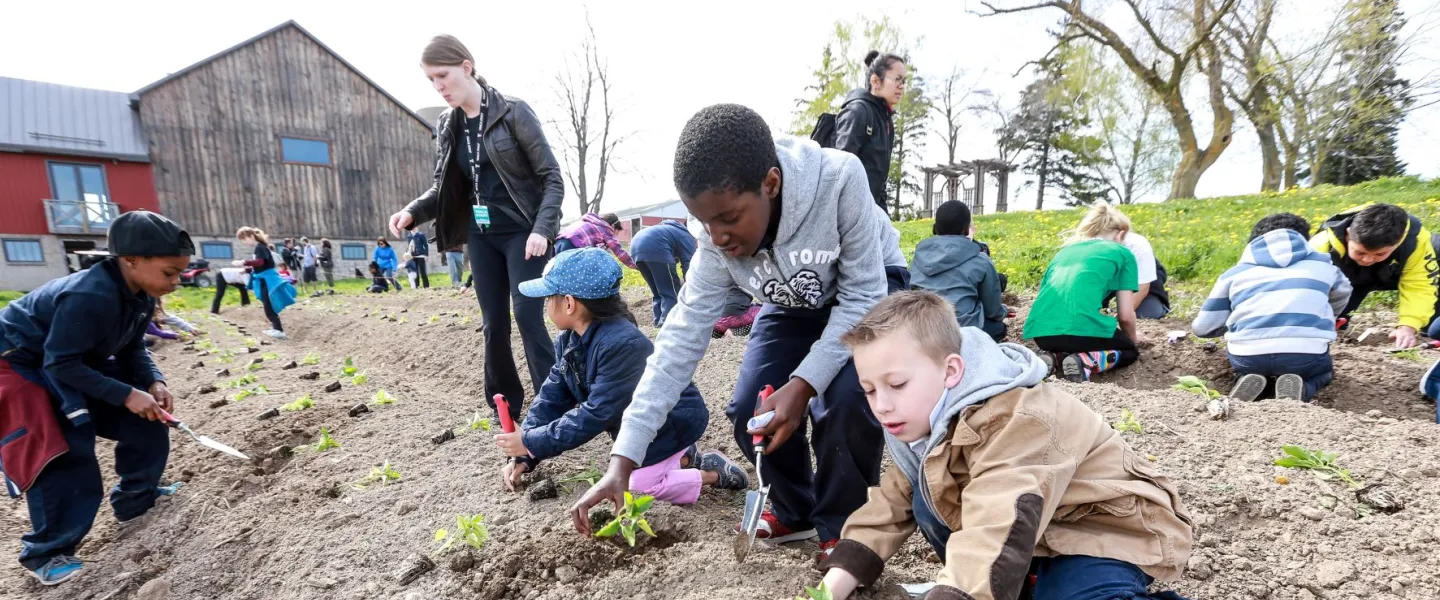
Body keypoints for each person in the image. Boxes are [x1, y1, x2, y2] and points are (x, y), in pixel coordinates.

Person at [571, 104, 904, 561]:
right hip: (791, 300)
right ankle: (795, 510)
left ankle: (843, 528)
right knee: (751, 409)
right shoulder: (713, 237)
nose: (718, 236)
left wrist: (804, 386)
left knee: (845, 402)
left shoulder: (838, 178)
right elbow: (679, 339)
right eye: (705, 223)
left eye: (728, 219)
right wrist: (623, 459)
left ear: (771, 183)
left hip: (867, 290)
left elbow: (864, 296)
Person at [811, 291, 1193, 600]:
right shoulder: (924, 418)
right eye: (869, 390)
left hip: (1102, 528)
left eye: (896, 385)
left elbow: (999, 519)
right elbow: (891, 504)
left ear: (950, 371)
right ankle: (1019, 579)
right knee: (922, 493)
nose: (882, 405)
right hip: (1034, 531)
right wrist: (836, 584)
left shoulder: (1019, 417)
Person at [0, 210, 192, 585]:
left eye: (179, 273)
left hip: (65, 361)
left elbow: (132, 346)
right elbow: (60, 364)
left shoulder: (137, 294)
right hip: (21, 366)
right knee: (65, 449)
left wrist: (152, 381)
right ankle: (47, 553)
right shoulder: (90, 295)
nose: (177, 281)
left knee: (147, 417)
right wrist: (123, 393)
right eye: (170, 273)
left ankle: (137, 499)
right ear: (131, 260)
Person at [390, 34, 563, 423]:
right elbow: (443, 187)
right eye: (431, 80)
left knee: (528, 316)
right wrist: (413, 212)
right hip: (480, 237)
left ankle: (556, 399)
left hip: (523, 233)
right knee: (493, 324)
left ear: (466, 67)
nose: (439, 87)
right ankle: (506, 407)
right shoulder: (448, 124)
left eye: (443, 76)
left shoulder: (513, 112)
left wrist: (542, 229)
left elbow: (551, 178)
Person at [494, 248, 749, 501]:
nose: (546, 303)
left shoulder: (622, 345)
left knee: (634, 489)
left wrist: (530, 441)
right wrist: (525, 452)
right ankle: (683, 459)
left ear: (569, 303)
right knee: (627, 480)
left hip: (669, 425)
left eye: (549, 296)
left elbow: (595, 413)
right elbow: (553, 395)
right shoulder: (570, 340)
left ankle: (713, 472)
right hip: (638, 427)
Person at [1193, 213, 1352, 402]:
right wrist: (1327, 315)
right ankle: (1303, 390)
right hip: (1305, 354)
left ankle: (1247, 379)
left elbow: (1202, 328)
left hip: (1249, 355)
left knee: (1250, 365)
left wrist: (1236, 323)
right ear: (1305, 241)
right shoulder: (1324, 266)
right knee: (1323, 374)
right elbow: (1345, 291)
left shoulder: (1234, 274)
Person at [1023, 201, 1142, 383]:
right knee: (1130, 351)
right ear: (1120, 235)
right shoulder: (1121, 253)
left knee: (1076, 337)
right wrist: (1132, 340)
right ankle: (1087, 361)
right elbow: (1125, 316)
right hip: (1081, 332)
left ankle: (1055, 359)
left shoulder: (1064, 253)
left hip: (1042, 334)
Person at [1311, 203, 1440, 349]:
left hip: (1393, 272)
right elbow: (1305, 289)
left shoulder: (1415, 242)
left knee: (1433, 330)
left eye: (1380, 254)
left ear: (1398, 242)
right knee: (1332, 321)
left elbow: (1419, 285)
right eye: (1360, 252)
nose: (1367, 259)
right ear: (1348, 234)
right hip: (1348, 277)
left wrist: (1409, 325)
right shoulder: (1321, 245)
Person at [911, 201, 1007, 342]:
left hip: (923, 330)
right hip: (962, 332)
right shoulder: (981, 260)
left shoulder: (918, 258)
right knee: (999, 328)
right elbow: (993, 311)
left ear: (934, 228)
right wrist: (1003, 311)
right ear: (967, 231)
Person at [834, 51, 905, 211]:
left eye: (904, 81)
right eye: (897, 79)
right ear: (875, 81)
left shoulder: (885, 120)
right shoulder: (858, 111)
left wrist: (883, 218)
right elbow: (839, 170)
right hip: (849, 212)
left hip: (870, 211)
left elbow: (880, 181)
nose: (901, 86)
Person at [629, 220, 696, 327]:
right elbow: (689, 263)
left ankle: (658, 322)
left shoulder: (668, 229)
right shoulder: (686, 236)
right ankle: (668, 324)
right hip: (657, 250)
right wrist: (692, 287)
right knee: (671, 291)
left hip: (635, 249)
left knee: (657, 291)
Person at [234, 227, 296, 340]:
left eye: (244, 239)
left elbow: (260, 262)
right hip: (264, 279)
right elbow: (261, 266)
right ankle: (276, 328)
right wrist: (247, 270)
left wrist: (243, 262)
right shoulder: (259, 248)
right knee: (267, 304)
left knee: (268, 304)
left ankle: (279, 330)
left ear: (250, 236)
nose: (244, 242)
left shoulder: (260, 248)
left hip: (268, 280)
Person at [555, 212, 638, 269]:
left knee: (559, 271)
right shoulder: (606, 229)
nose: (615, 235)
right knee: (574, 273)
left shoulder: (589, 221)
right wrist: (636, 266)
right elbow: (619, 251)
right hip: (572, 245)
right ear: (613, 226)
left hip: (559, 241)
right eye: (616, 231)